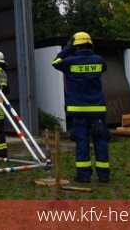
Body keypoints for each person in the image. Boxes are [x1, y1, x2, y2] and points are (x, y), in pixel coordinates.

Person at [51, 31, 109, 183]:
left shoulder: (69, 62)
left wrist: (67, 49)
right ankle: (103, 175)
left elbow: (55, 62)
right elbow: (103, 68)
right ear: (90, 44)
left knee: (82, 141)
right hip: (97, 110)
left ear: (74, 46)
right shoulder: (99, 60)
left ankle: (83, 175)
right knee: (101, 141)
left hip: (78, 110)